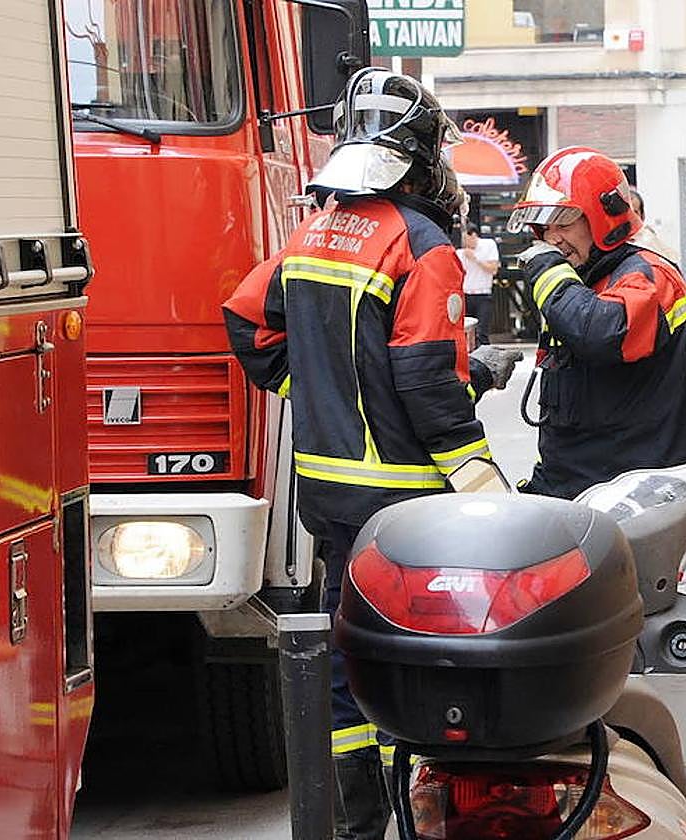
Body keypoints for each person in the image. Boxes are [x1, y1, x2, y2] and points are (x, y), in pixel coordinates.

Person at [222, 67, 522, 840]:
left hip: (327, 496)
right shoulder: (421, 243)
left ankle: (356, 823)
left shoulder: (315, 229)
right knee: (415, 661)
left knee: (344, 655)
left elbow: (248, 324)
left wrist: (319, 392)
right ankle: (418, 813)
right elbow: (423, 377)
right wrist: (482, 480)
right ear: (421, 155)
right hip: (403, 506)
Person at [509, 146, 686, 499]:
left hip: (635, 496)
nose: (551, 239)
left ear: (603, 217)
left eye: (563, 222)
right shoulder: (583, 277)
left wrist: (549, 275)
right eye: (543, 227)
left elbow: (602, 334)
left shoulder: (650, 274)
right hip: (574, 484)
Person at [457, 223, 500, 346]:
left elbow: (493, 269)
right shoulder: (460, 252)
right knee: (465, 331)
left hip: (483, 293)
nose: (465, 243)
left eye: (466, 239)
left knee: (481, 332)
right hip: (465, 294)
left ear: (474, 235)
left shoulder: (488, 245)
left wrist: (475, 259)